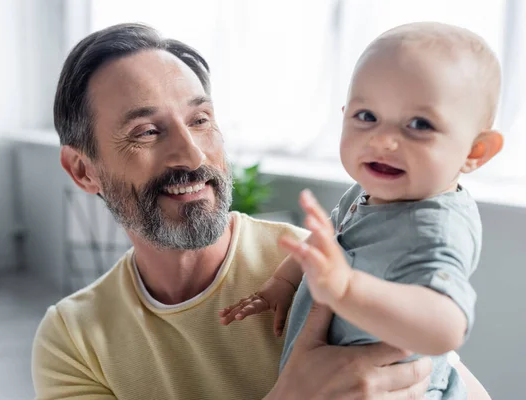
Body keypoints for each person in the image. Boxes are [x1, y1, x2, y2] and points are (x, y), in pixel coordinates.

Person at [32, 22, 490, 399]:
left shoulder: (330, 259)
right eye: (148, 131)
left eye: (200, 120)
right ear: (82, 170)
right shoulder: (74, 341)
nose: (192, 156)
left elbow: (449, 376)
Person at [220, 22, 501, 399]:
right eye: (366, 116)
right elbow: (329, 246)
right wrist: (283, 284)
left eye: (419, 124)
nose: (383, 140)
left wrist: (349, 289)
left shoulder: (436, 227)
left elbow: (447, 328)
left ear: (474, 152)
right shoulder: (370, 190)